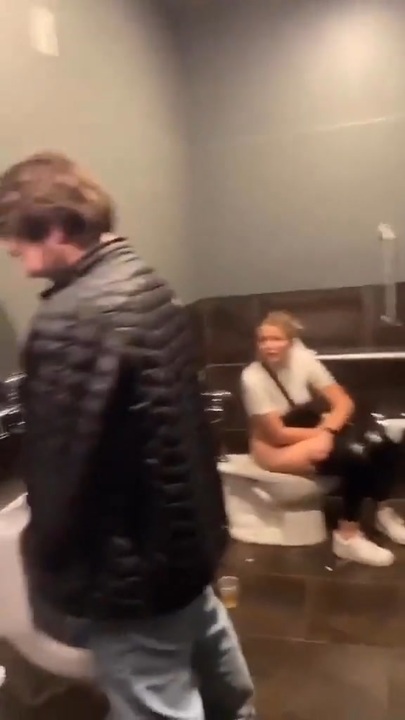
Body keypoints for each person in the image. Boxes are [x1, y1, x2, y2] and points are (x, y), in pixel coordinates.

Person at [0, 152, 255, 720]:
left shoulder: (71, 319)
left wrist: (49, 567)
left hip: (129, 573)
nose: (14, 255)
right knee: (220, 678)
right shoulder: (146, 284)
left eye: (16, 239)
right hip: (184, 544)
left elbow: (60, 472)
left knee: (154, 705)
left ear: (55, 227)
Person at [241, 310, 405, 567]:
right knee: (354, 457)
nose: (269, 345)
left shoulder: (302, 359)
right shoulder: (252, 378)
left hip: (307, 429)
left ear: (291, 342)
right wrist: (324, 433)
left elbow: (343, 402)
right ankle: (347, 537)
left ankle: (381, 512)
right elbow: (277, 433)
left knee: (385, 444)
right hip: (273, 448)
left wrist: (328, 431)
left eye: (277, 339)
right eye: (263, 340)